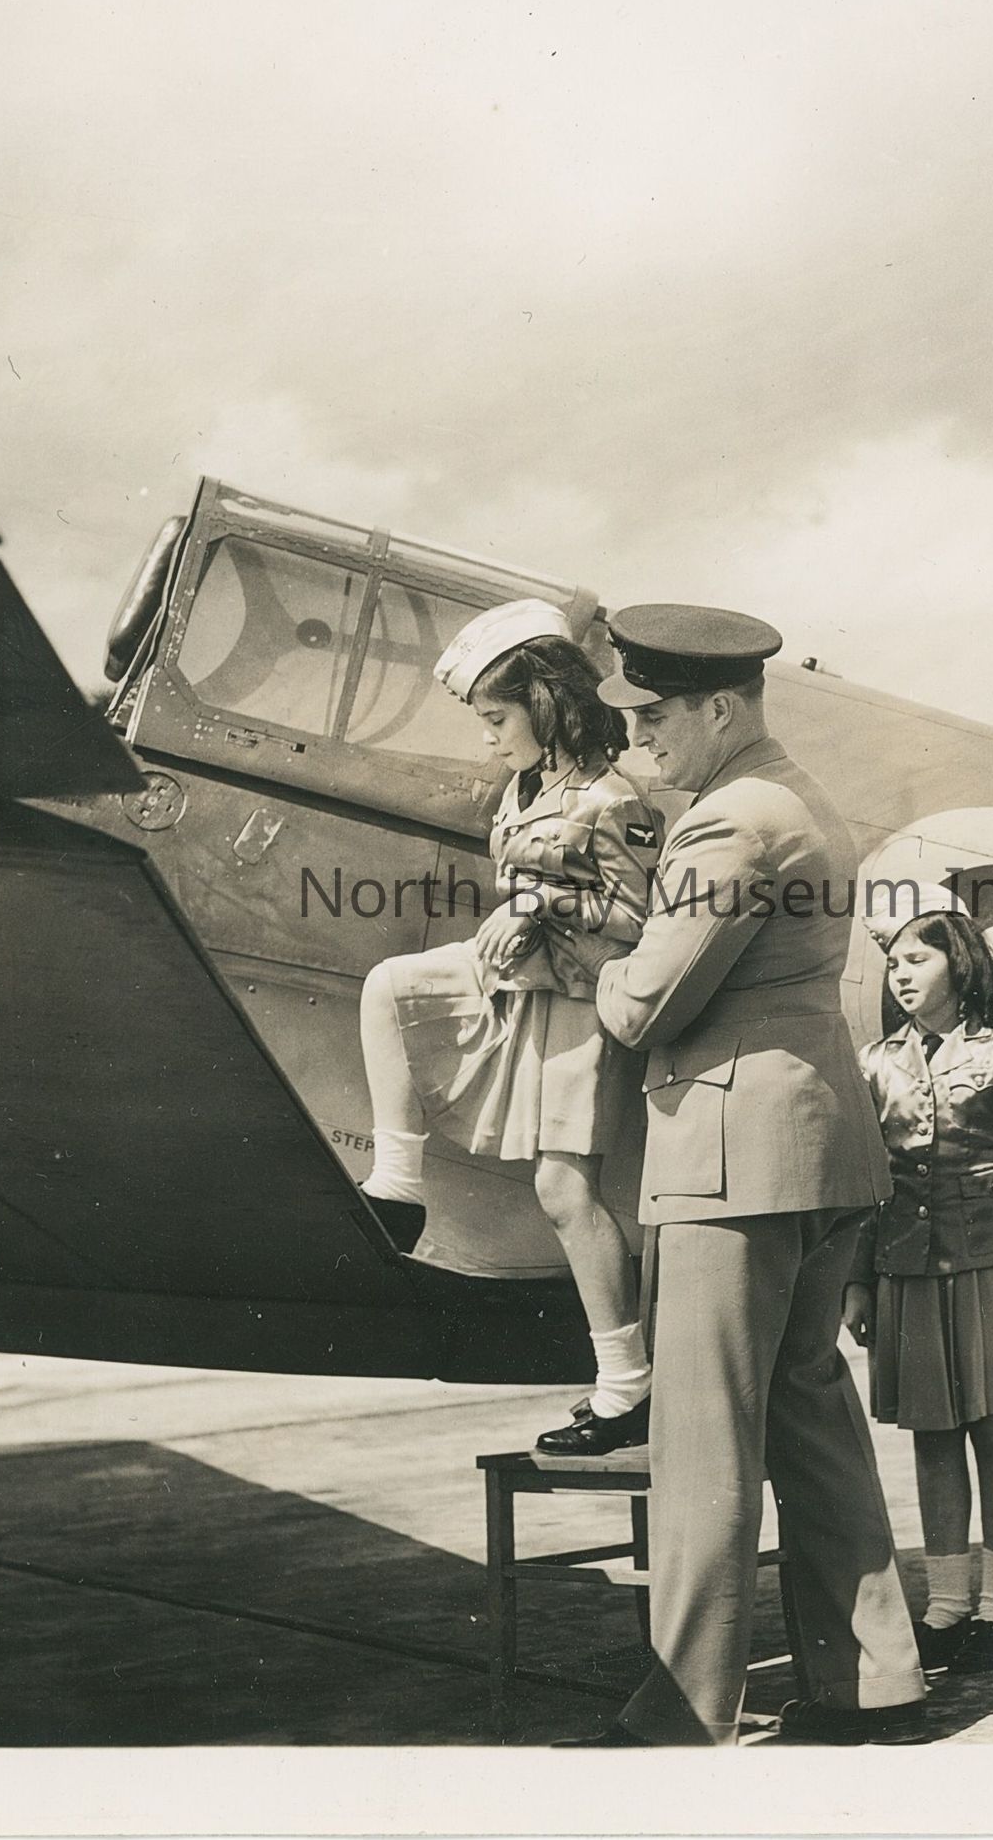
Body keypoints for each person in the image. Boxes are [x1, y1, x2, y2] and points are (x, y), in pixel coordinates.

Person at [558, 603, 924, 1748]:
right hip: (817, 1147)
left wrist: (596, 956)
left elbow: (648, 1003)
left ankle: (681, 1709)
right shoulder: (795, 796)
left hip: (731, 1162)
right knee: (809, 1415)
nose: (638, 739)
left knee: (705, 1438)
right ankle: (873, 1684)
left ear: (720, 707)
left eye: (655, 717)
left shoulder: (728, 822)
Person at [354, 598, 664, 1455]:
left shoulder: (613, 799)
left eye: (497, 718)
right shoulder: (526, 788)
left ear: (545, 700)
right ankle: (398, 1186)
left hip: (581, 1001)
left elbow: (645, 922)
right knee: (390, 987)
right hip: (519, 983)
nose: (488, 738)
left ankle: (626, 1388)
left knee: (565, 1191)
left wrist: (539, 903)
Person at [842, 895, 993, 1676]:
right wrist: (858, 1281)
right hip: (908, 1266)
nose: (902, 975)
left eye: (919, 958)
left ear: (960, 963)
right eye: (894, 963)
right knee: (933, 1437)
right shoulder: (874, 1062)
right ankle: (945, 1607)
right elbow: (867, 1181)